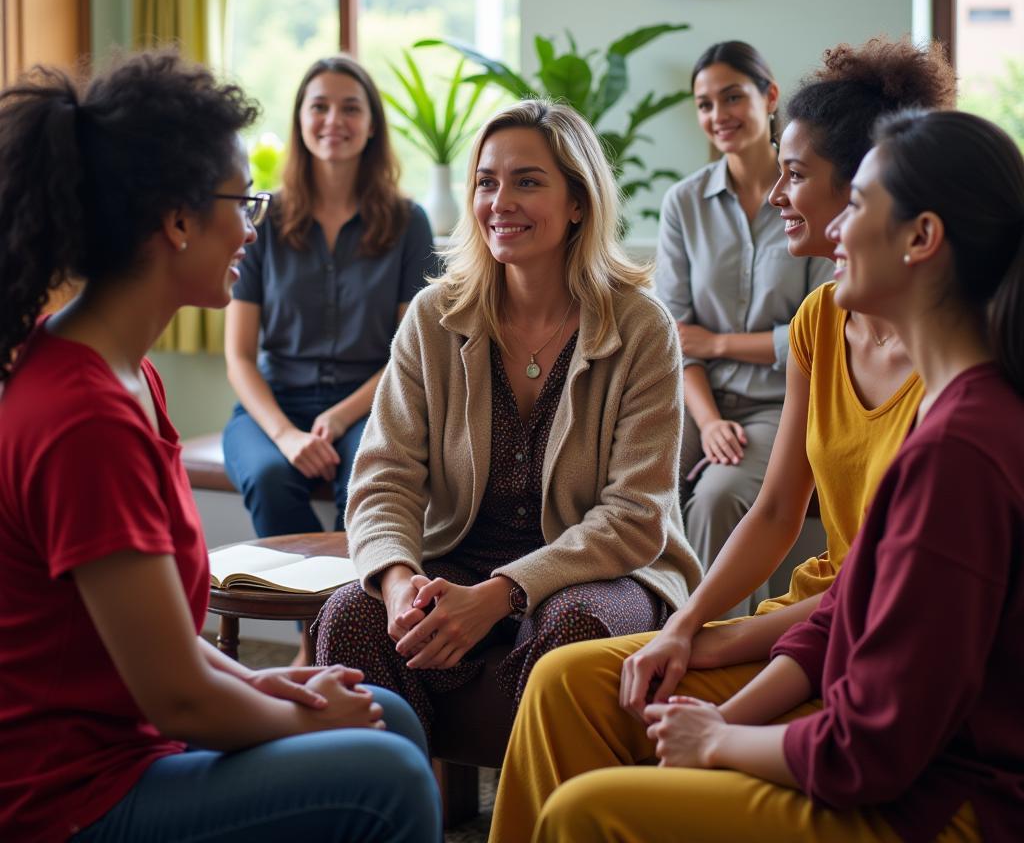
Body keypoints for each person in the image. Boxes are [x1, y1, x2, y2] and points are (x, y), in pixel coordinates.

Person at [487, 37, 957, 843]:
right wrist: (685, 625)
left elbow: (879, 609)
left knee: (605, 773)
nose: (779, 192)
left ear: (872, 188)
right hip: (810, 616)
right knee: (566, 679)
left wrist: (721, 650)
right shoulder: (821, 319)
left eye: (797, 174)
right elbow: (779, 509)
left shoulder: (955, 376)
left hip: (851, 637)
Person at [0, 52, 441, 843]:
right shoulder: (84, 418)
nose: (251, 224)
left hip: (132, 747)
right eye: (242, 202)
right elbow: (179, 699)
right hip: (71, 800)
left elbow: (172, 657)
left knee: (388, 715)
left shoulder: (129, 376)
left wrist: (279, 687)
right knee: (390, 773)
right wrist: (299, 717)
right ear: (176, 221)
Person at [313, 99, 702, 738]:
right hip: (458, 559)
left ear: (578, 201)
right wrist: (399, 584)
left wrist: (501, 595)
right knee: (349, 615)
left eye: (528, 181)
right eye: (487, 182)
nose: (501, 201)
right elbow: (383, 479)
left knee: (575, 630)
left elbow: (637, 517)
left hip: (600, 570)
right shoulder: (433, 317)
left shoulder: (640, 326)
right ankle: (392, 808)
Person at [223, 55, 434, 539]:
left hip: (373, 404)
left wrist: (338, 417)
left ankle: (348, 614)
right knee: (269, 476)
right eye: (319, 106)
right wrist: (286, 436)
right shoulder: (264, 219)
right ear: (300, 121)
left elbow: (412, 354)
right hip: (274, 406)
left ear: (372, 125)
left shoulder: (409, 221)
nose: (334, 121)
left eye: (350, 108)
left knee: (365, 486)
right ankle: (310, 618)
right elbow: (238, 357)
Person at [656, 41, 832, 616]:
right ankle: (629, 627)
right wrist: (706, 421)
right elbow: (678, 340)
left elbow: (815, 329)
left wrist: (719, 342)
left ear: (770, 96)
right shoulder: (684, 203)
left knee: (717, 496)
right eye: (705, 104)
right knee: (620, 480)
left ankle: (712, 654)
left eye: (732, 96)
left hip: (781, 407)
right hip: (696, 403)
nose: (718, 115)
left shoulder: (808, 196)